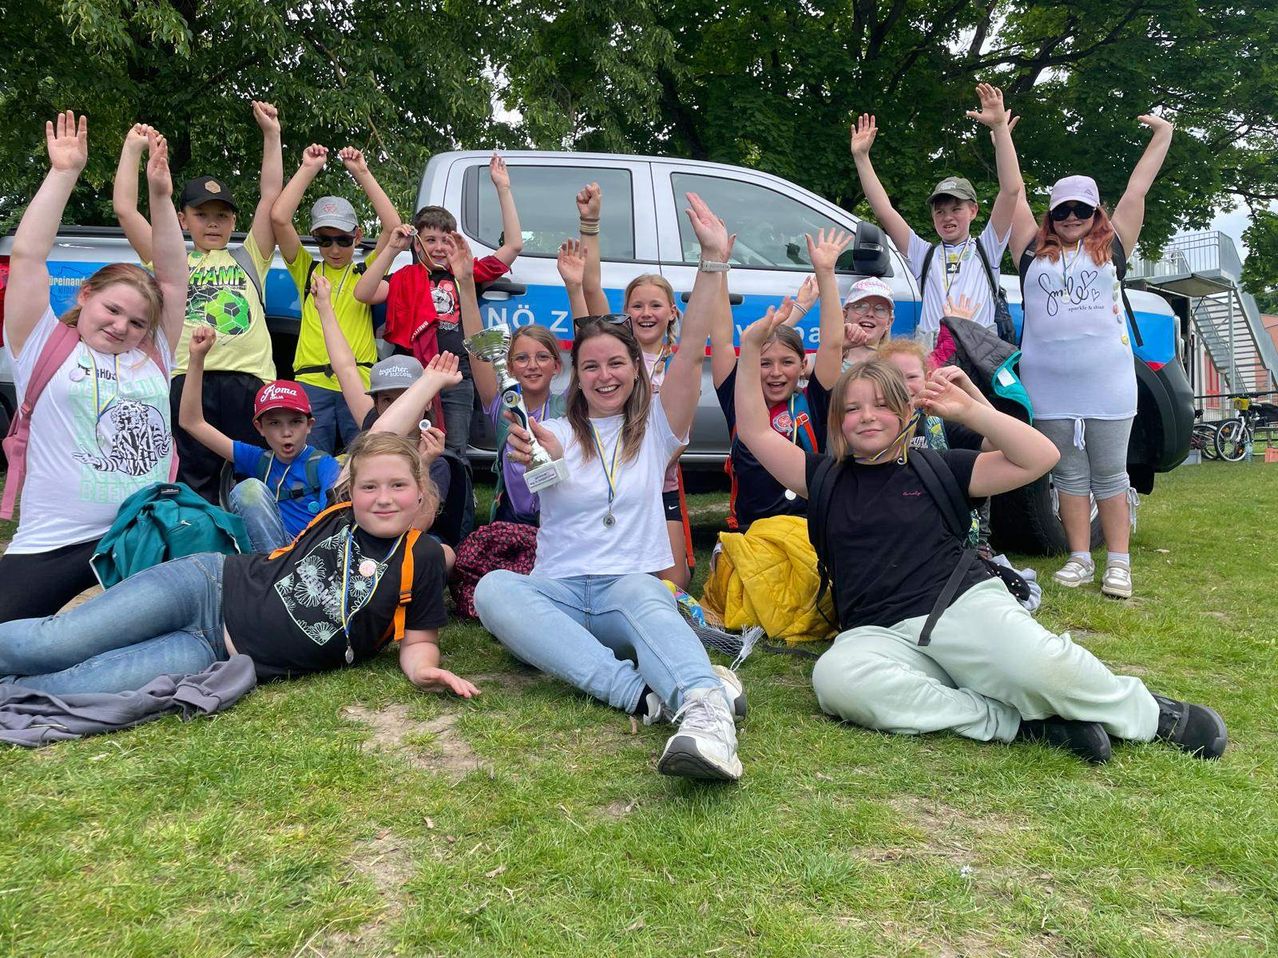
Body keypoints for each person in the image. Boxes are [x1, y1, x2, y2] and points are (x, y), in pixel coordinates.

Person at [733, 310, 1227, 762]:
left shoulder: (940, 467)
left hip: (957, 606)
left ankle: (1150, 713)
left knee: (1038, 669)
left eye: (882, 405)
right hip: (876, 633)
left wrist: (971, 412)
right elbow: (755, 432)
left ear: (906, 413)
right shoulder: (821, 477)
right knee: (836, 681)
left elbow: (1042, 457)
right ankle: (1014, 723)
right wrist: (751, 348)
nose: (867, 416)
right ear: (838, 422)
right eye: (853, 408)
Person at [474, 194, 748, 782]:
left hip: (626, 591)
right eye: (591, 366)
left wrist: (712, 262)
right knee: (494, 589)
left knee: (647, 593)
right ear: (576, 375)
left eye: (617, 364)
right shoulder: (549, 430)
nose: (604, 375)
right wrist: (530, 458)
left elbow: (691, 344)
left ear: (635, 370)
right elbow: (525, 488)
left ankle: (706, 715)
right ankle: (639, 693)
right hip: (560, 594)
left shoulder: (658, 429)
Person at [0, 433, 476, 699]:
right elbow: (373, 446)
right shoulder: (340, 514)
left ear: (420, 491)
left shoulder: (423, 558)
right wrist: (426, 388)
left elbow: (420, 641)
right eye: (370, 486)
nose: (383, 498)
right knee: (57, 641)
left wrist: (424, 672)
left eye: (398, 486)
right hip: (205, 586)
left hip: (213, 653)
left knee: (76, 685)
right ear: (352, 489)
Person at [0, 117, 185, 624]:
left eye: (137, 321)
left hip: (142, 537)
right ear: (85, 296)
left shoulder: (153, 353)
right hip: (54, 539)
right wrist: (64, 173)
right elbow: (28, 256)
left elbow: (172, 278)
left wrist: (161, 197)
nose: (122, 326)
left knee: (169, 642)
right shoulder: (40, 344)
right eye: (112, 310)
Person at [1008, 115, 1174, 600]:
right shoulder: (1029, 252)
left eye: (1081, 208)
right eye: (1062, 210)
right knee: (1067, 474)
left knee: (1110, 473)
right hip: (1047, 384)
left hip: (1108, 382)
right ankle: (1080, 557)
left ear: (1096, 211)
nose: (1071, 217)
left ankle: (1118, 562)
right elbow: (1012, 192)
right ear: (1050, 215)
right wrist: (1001, 133)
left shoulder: (1114, 245)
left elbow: (1137, 189)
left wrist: (1163, 136)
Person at [114, 102, 284, 503]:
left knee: (253, 478)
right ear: (182, 218)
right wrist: (132, 149)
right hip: (188, 379)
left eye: (222, 215)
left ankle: (251, 541)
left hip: (248, 379)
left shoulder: (249, 255)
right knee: (193, 480)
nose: (212, 223)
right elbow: (125, 209)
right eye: (202, 214)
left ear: (233, 221)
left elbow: (271, 197)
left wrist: (272, 134)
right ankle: (198, 534)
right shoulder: (170, 259)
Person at [357, 155, 523, 457]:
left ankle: (454, 484)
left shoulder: (465, 272)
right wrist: (391, 250)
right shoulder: (404, 277)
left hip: (456, 375)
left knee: (454, 448)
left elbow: (513, 246)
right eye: (430, 240)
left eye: (445, 240)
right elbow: (364, 292)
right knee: (405, 444)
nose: (438, 247)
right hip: (410, 376)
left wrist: (503, 188)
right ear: (416, 244)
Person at [576, 184, 694, 583]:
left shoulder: (678, 366)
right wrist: (590, 224)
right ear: (625, 313)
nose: (646, 312)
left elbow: (679, 436)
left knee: (674, 584)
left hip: (660, 482)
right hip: (616, 479)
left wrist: (654, 462)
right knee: (616, 574)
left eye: (655, 305)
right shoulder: (616, 353)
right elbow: (591, 286)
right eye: (637, 305)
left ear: (671, 312)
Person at [851, 83, 1022, 342]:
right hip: (932, 356)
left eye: (956, 209)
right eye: (939, 211)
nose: (947, 217)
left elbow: (1010, 190)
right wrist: (862, 158)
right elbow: (885, 212)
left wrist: (999, 127)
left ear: (973, 210)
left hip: (977, 353)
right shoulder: (924, 255)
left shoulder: (987, 248)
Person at [710, 229, 851, 530]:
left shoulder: (814, 401)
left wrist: (826, 272)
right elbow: (721, 339)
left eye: (787, 362)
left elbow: (832, 344)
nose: (776, 372)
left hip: (806, 533)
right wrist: (719, 266)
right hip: (752, 535)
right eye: (765, 363)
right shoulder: (738, 399)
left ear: (803, 365)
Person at [271, 144, 402, 453]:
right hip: (312, 383)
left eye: (343, 240)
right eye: (324, 239)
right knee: (311, 465)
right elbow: (279, 219)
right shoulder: (307, 269)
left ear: (357, 236)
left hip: (360, 384)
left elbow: (393, 226)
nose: (333, 249)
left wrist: (362, 172)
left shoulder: (366, 271)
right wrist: (308, 168)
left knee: (364, 462)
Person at [178, 327, 341, 553]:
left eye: (295, 422)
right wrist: (197, 358)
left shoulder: (324, 464)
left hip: (311, 553)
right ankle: (270, 567)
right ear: (259, 428)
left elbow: (333, 521)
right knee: (248, 489)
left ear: (309, 425)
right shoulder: (257, 459)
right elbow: (191, 422)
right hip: (269, 555)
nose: (286, 432)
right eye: (275, 423)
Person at [451, 232, 567, 525]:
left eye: (542, 357)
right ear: (510, 367)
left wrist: (577, 287)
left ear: (557, 365)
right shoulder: (503, 405)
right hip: (511, 520)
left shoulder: (569, 407)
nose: (532, 366)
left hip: (557, 521)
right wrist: (466, 283)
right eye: (522, 358)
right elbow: (478, 348)